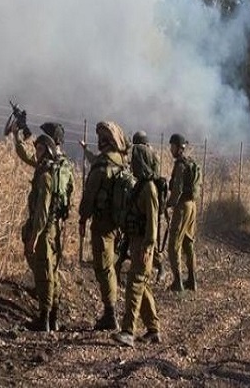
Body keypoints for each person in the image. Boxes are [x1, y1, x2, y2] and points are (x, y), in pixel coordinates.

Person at [78, 121, 129, 331]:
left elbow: (89, 197)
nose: (98, 142)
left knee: (103, 267)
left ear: (106, 142)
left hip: (102, 225)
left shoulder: (101, 166)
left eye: (101, 139)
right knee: (111, 265)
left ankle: (110, 314)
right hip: (118, 225)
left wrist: (82, 218)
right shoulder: (121, 162)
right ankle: (113, 309)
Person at [112, 144, 161, 347]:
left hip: (143, 244)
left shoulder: (149, 188)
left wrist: (148, 247)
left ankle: (128, 331)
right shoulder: (140, 185)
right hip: (136, 242)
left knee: (134, 285)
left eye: (135, 160)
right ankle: (153, 330)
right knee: (142, 286)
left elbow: (153, 222)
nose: (132, 163)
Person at [23, 133, 63, 332]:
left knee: (44, 274)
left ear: (47, 151)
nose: (36, 153)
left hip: (45, 232)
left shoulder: (46, 176)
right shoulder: (47, 172)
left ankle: (45, 319)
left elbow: (42, 209)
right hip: (50, 230)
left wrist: (35, 235)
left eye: (39, 149)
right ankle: (52, 318)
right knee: (51, 273)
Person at [166, 133, 199, 292]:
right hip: (192, 206)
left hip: (182, 207)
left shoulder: (180, 165)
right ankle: (192, 281)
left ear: (179, 148)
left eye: (172, 146)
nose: (170, 149)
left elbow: (177, 189)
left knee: (173, 245)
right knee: (188, 243)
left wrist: (167, 204)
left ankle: (178, 282)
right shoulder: (190, 162)